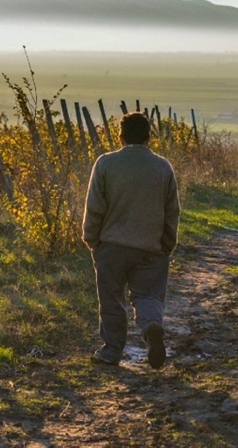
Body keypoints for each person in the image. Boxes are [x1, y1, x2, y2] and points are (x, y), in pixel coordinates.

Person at [83, 111, 180, 369]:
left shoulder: (105, 164)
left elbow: (95, 207)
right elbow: (172, 211)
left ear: (120, 136)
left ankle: (112, 350)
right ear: (149, 137)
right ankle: (151, 328)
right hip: (151, 246)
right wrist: (167, 243)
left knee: (112, 299)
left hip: (111, 246)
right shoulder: (163, 167)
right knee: (148, 296)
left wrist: (92, 239)